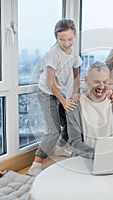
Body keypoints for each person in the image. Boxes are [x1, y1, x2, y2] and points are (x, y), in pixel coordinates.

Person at [27, 19, 82, 176]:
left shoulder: (74, 52)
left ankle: (59, 148)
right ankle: (36, 162)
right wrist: (63, 101)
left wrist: (74, 94)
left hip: (61, 91)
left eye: (70, 39)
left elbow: (77, 76)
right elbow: (50, 82)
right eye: (62, 39)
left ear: (75, 36)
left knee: (70, 121)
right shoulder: (53, 54)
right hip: (47, 92)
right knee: (54, 129)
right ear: (56, 37)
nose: (66, 43)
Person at [66, 61, 113, 159]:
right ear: (86, 80)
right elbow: (75, 142)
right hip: (83, 159)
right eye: (96, 82)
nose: (101, 86)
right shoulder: (74, 105)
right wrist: (97, 155)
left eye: (105, 82)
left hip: (111, 158)